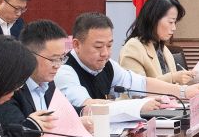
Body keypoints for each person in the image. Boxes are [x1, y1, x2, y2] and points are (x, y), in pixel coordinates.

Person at [58, 12, 186, 113]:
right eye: (98, 47)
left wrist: (184, 91)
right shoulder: (64, 70)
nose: (105, 53)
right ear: (77, 45)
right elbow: (87, 106)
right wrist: (137, 105)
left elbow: (141, 84)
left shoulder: (108, 65)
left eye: (109, 46)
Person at [121, 0, 199, 86]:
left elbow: (177, 84)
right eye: (170, 22)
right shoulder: (133, 47)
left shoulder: (164, 49)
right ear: (153, 20)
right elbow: (136, 87)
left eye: (175, 22)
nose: (174, 28)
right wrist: (173, 78)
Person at [16, 19, 71, 117]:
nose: (58, 65)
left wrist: (83, 111)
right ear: (29, 56)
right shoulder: (12, 90)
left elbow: (61, 111)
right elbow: (15, 125)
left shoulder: (48, 82)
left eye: (61, 58)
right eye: (53, 59)